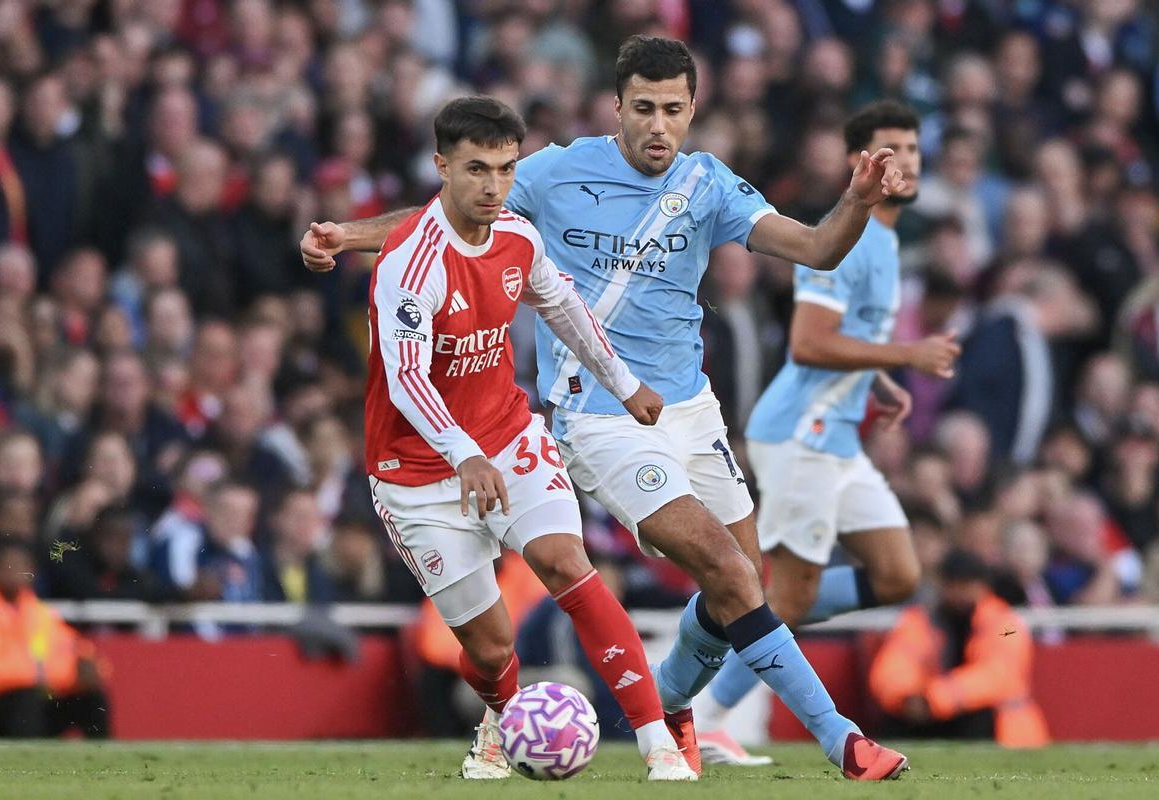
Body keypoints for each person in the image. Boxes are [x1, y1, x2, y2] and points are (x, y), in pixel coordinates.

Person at [302, 37, 908, 780]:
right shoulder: (556, 171)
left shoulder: (708, 184)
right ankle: (843, 741)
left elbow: (816, 250)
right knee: (722, 567)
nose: (659, 125)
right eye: (644, 108)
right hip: (595, 414)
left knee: (744, 580)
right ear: (617, 108)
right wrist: (351, 236)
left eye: (674, 110)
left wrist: (855, 199)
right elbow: (450, 215)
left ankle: (674, 707)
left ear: (693, 111)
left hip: (688, 408)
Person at [360, 96, 693, 781]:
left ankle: (658, 741)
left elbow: (564, 305)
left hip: (508, 438)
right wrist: (463, 455)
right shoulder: (408, 264)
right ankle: (497, 721)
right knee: (490, 646)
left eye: (507, 170)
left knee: (567, 563)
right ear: (442, 167)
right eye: (477, 169)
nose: (493, 186)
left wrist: (624, 384)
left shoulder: (517, 236)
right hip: (416, 470)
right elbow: (405, 380)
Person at [697, 101, 960, 765]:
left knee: (898, 575)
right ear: (857, 163)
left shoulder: (888, 239)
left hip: (840, 438)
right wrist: (905, 357)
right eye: (888, 149)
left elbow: (853, 339)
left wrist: (879, 380)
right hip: (800, 436)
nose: (905, 161)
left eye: (913, 147)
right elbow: (809, 343)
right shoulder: (846, 239)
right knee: (789, 592)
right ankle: (709, 714)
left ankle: (787, 606)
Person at [868, 549, 1050, 748]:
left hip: (1002, 730)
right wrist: (907, 697)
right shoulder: (921, 620)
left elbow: (996, 675)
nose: (958, 594)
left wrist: (935, 698)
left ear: (983, 586)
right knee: (894, 720)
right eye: (952, 585)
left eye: (965, 585)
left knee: (979, 714)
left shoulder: (1005, 622)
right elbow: (894, 665)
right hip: (936, 713)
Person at [0, 537, 110, 738]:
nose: (18, 571)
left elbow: (76, 651)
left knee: (91, 698)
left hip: (27, 705)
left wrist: (92, 669)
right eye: (11, 564)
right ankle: (23, 763)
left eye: (24, 565)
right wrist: (51, 675)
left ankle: (102, 764)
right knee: (26, 699)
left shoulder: (33, 609)